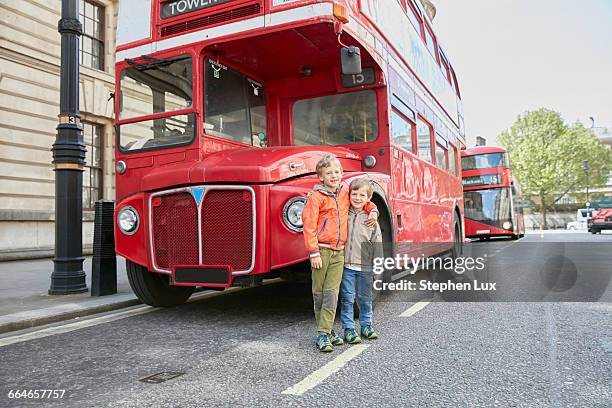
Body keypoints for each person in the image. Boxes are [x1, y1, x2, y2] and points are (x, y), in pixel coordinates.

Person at [302, 155, 378, 352]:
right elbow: (309, 226)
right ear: (321, 177)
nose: (334, 176)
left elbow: (362, 199)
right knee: (319, 293)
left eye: (337, 172)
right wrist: (313, 252)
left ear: (342, 173)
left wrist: (373, 210)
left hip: (339, 253)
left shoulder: (344, 192)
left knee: (332, 294)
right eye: (329, 173)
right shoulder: (315, 197)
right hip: (321, 251)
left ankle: (325, 331)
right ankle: (323, 332)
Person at [340, 178, 383, 343]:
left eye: (362, 195)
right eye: (354, 194)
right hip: (347, 266)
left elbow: (377, 243)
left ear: (368, 199)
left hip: (365, 266)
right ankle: (349, 329)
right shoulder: (344, 213)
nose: (357, 198)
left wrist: (378, 265)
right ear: (349, 195)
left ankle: (366, 325)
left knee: (365, 297)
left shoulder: (371, 219)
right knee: (347, 298)